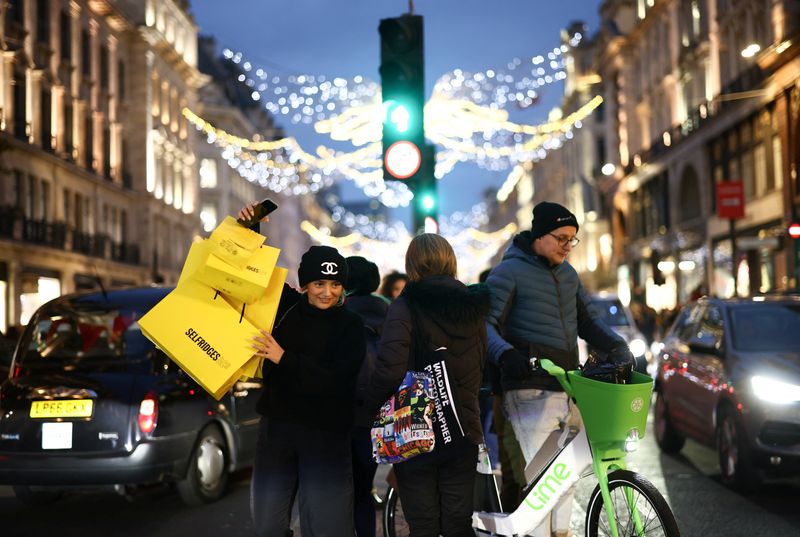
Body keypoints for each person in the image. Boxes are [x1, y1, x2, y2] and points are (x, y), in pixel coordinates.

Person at [485, 201, 631, 537]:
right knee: (543, 484)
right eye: (561, 238)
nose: (568, 245)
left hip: (569, 387)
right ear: (539, 236)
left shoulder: (568, 275)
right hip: (529, 388)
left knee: (564, 479)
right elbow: (485, 324)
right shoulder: (509, 272)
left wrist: (617, 345)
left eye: (572, 239)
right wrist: (506, 354)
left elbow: (588, 321)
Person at [242, 206, 366, 537]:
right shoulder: (284, 308)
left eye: (336, 284)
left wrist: (285, 358)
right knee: (268, 524)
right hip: (277, 431)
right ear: (305, 284)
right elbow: (254, 271)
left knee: (328, 527)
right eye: (319, 283)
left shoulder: (351, 325)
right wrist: (250, 227)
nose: (327, 292)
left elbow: (338, 381)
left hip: (327, 436)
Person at [364, 233, 490, 537]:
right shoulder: (473, 307)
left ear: (412, 264)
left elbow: (389, 370)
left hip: (416, 431)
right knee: (459, 523)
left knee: (423, 525)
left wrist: (368, 406)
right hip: (463, 428)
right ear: (450, 261)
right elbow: (480, 365)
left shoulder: (405, 306)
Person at [345, 255, 389, 537]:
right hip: (376, 415)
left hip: (342, 415)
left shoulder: (340, 315)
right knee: (363, 490)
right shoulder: (391, 314)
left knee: (339, 493)